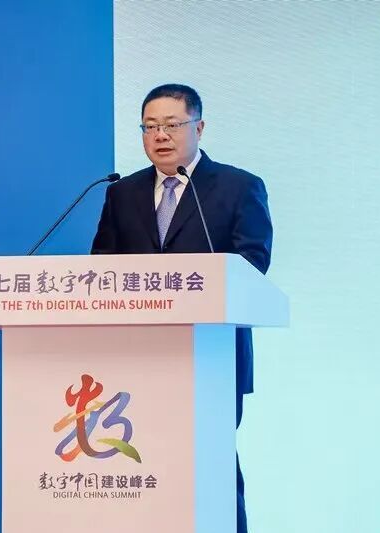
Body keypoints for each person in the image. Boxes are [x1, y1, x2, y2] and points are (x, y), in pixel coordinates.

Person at [91, 83, 272, 533]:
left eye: (172, 124)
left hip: (211, 355)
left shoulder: (238, 187)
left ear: (199, 127)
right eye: (150, 126)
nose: (160, 135)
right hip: (138, 356)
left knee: (211, 463)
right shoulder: (122, 193)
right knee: (144, 464)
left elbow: (253, 264)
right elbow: (102, 268)